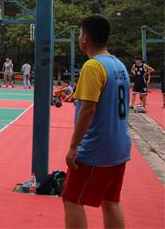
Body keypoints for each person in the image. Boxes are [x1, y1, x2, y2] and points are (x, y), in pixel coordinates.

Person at [62, 15, 130, 229]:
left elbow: (89, 109)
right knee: (110, 201)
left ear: (85, 38)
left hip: (95, 148)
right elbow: (104, 99)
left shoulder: (93, 66)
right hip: (119, 146)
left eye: (80, 34)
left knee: (71, 199)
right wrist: (77, 96)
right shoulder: (118, 65)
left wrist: (73, 147)